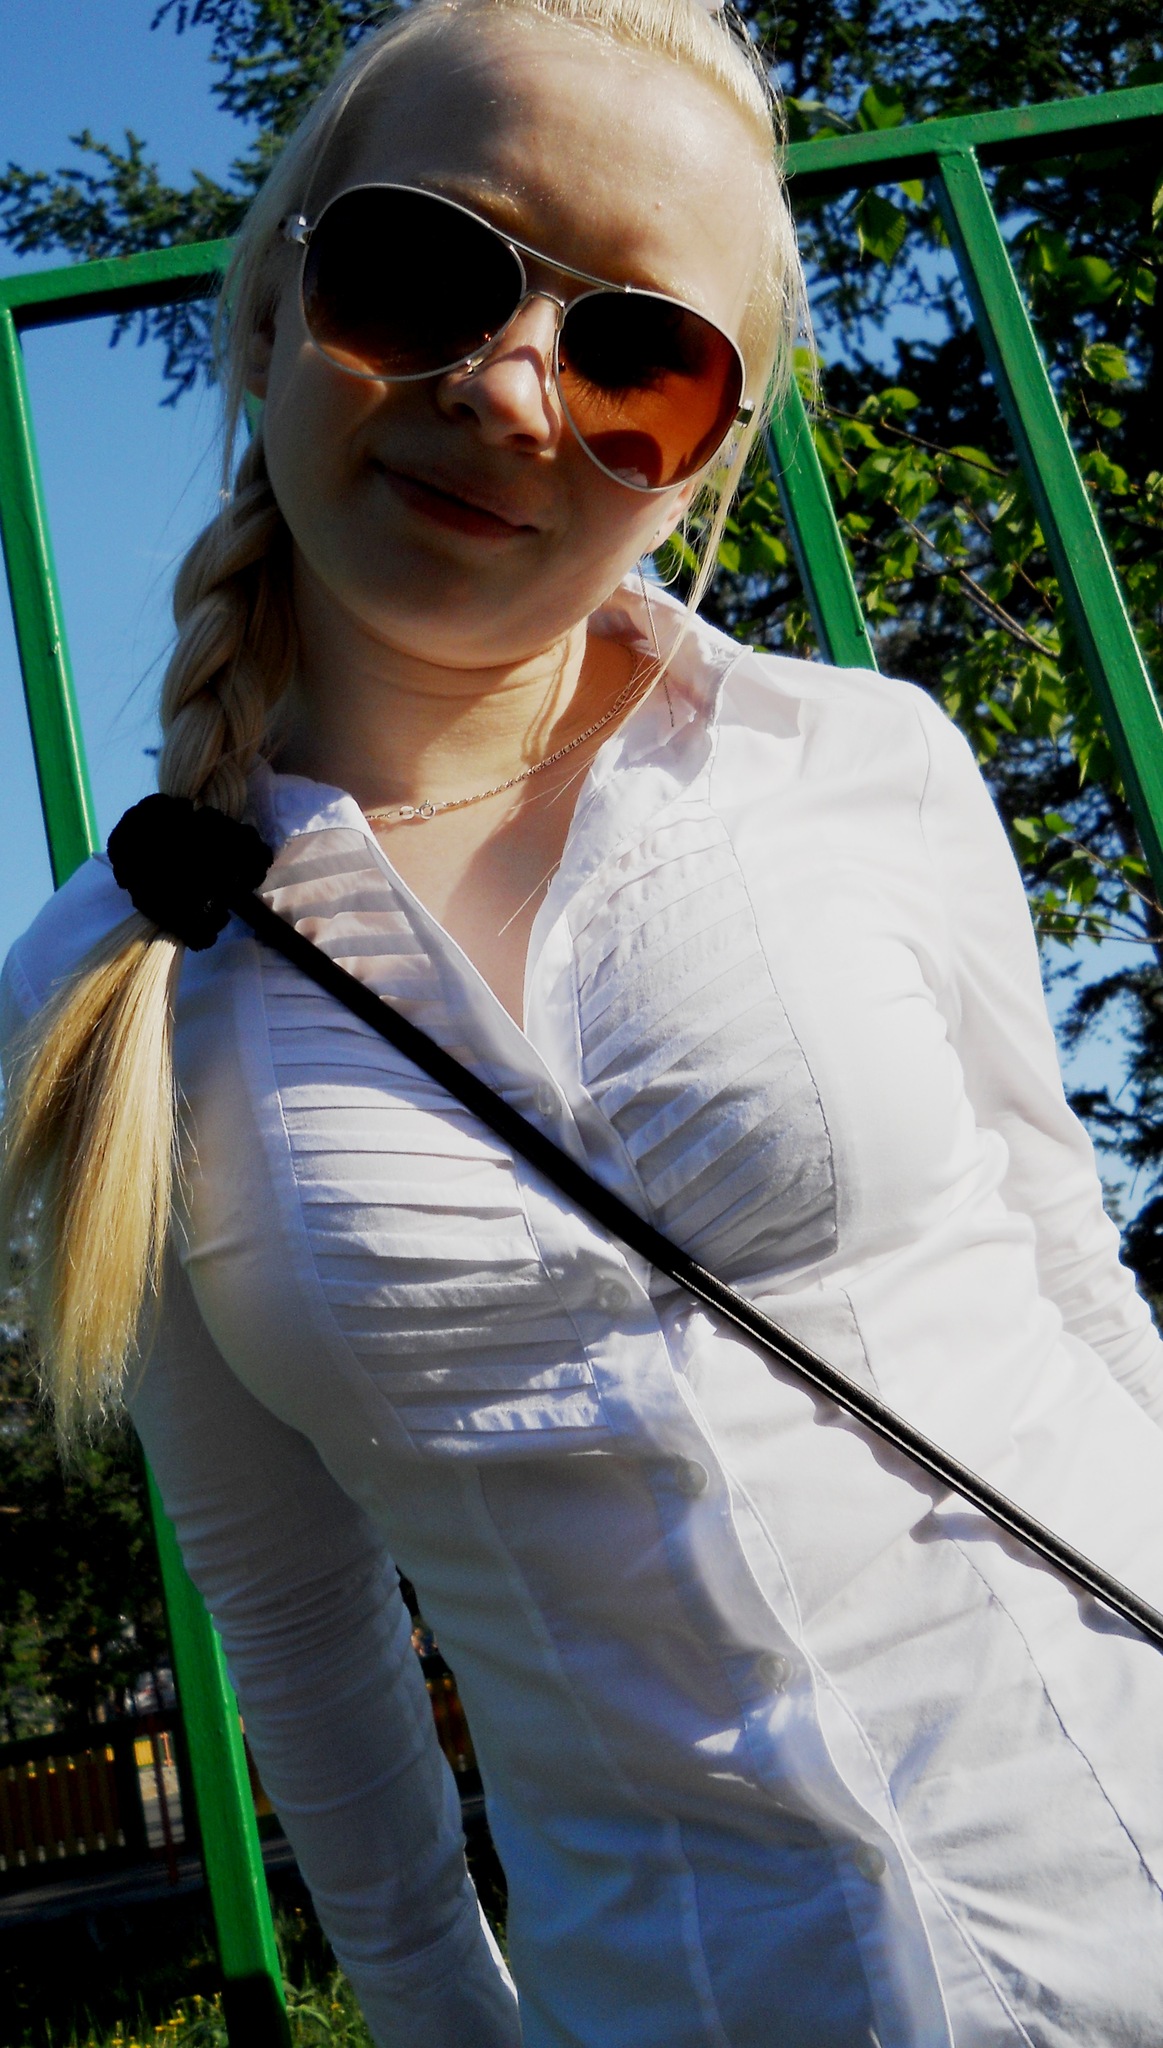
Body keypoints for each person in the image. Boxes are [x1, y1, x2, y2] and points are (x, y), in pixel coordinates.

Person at [3, 0, 1163, 2041]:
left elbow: (1079, 1304)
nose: (513, 389)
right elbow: (290, 1612)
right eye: (419, 270)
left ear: (707, 455)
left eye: (639, 355)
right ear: (266, 314)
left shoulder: (866, 767)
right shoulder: (112, 992)